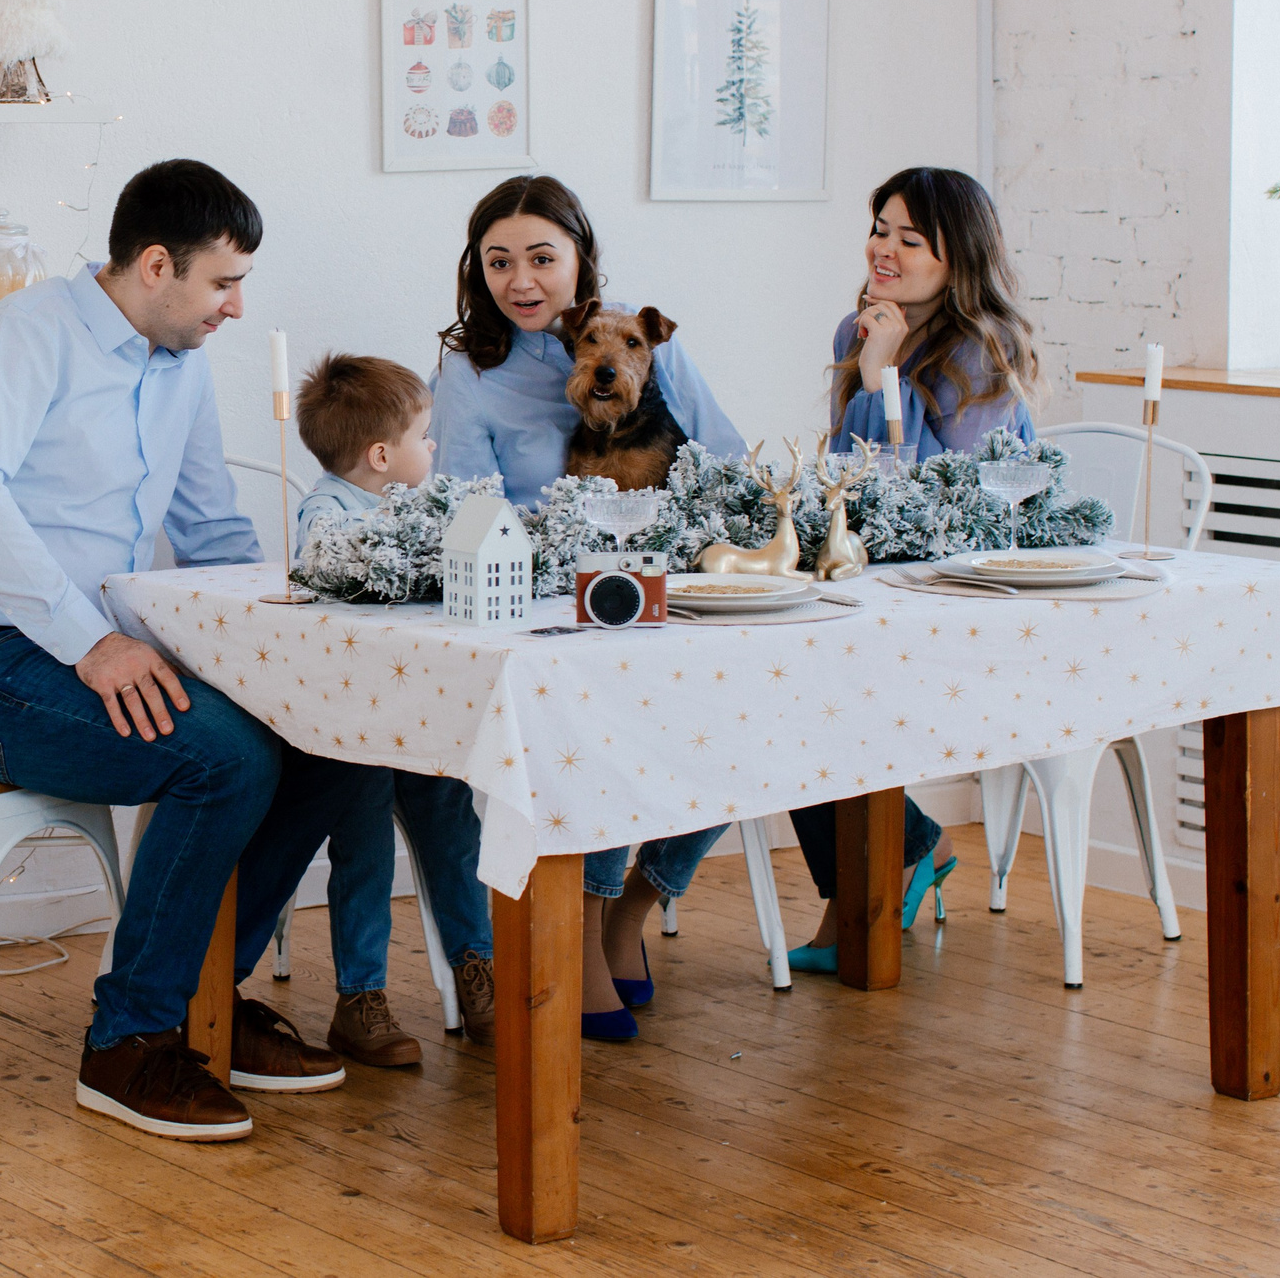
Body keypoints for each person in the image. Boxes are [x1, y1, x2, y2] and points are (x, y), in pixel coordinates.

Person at [0, 158, 371, 1143]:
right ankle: (129, 1042)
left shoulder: (181, 365)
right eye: (223, 282)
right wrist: (92, 643)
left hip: (86, 653)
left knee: (330, 742)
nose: (236, 306)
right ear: (156, 265)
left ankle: (205, 1003)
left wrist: (296, 642)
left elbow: (211, 530)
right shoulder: (27, 332)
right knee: (224, 759)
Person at [429, 173, 748, 1039]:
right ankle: (581, 926)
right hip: (543, 612)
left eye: (542, 257)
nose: (521, 280)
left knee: (743, 714)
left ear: (580, 260)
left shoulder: (641, 332)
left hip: (661, 594)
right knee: (602, 718)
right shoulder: (469, 371)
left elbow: (725, 459)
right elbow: (466, 510)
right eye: (499, 261)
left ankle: (631, 905)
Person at [784, 166, 1039, 973]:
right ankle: (904, 849)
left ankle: (875, 879)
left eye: (910, 238)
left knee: (815, 684)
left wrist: (884, 375)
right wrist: (875, 361)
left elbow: (930, 502)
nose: (883, 250)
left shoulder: (983, 350)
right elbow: (846, 480)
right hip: (877, 583)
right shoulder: (856, 330)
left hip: (969, 596)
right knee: (780, 679)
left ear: (956, 256)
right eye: (879, 229)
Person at [258, 353, 496, 1067]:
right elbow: (330, 571)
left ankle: (478, 967)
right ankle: (360, 998)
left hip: (417, 719)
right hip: (351, 730)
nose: (435, 446)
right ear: (382, 456)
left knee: (454, 827)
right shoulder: (328, 513)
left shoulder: (426, 508)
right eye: (424, 435)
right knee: (362, 846)